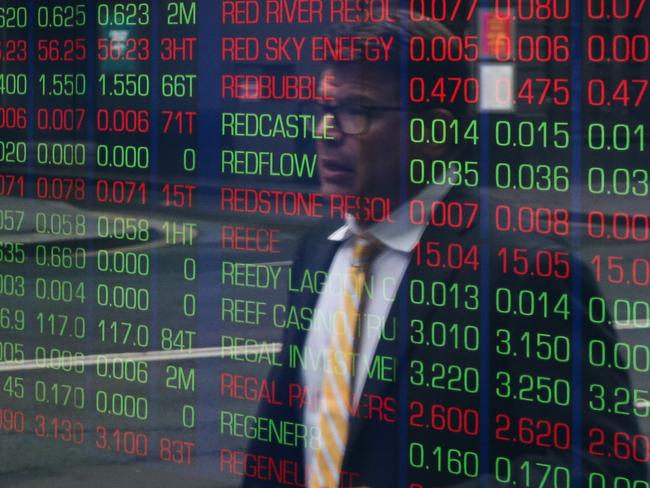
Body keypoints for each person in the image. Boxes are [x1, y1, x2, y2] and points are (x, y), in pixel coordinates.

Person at [241, 9, 645, 488]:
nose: (327, 134)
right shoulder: (318, 249)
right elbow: (283, 438)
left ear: (433, 133)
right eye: (324, 110)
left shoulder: (526, 267)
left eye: (357, 112)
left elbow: (604, 466)